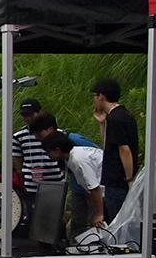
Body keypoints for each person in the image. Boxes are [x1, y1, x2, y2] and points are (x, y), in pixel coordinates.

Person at [93, 77, 138, 222]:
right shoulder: (124, 115)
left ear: (102, 96)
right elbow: (109, 145)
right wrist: (102, 124)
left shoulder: (116, 118)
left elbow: (124, 149)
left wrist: (129, 178)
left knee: (118, 222)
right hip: (119, 180)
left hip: (117, 180)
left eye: (95, 96)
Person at [43, 131, 106, 232]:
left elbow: (94, 188)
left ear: (58, 150)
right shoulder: (70, 159)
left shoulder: (79, 159)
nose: (47, 155)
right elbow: (87, 188)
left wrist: (99, 214)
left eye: (48, 151)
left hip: (110, 185)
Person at [11, 99, 61, 201]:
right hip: (31, 185)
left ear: (40, 112)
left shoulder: (56, 133)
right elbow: (19, 162)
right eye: (24, 115)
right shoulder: (18, 137)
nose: (28, 118)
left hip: (55, 181)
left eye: (31, 114)